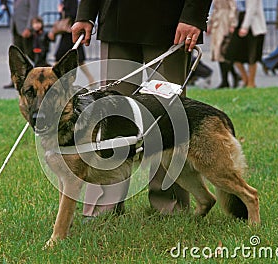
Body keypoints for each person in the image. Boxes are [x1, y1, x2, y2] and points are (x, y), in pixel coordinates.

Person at [72, 0, 212, 217]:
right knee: (110, 117)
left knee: (167, 117)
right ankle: (103, 207)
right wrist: (85, 13)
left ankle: (169, 206)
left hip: (171, 24)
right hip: (115, 19)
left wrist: (193, 16)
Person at [48, 0, 94, 84]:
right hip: (69, 33)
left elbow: (73, 14)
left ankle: (52, 78)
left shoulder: (70, 1)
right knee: (77, 58)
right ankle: (91, 79)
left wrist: (62, 10)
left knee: (60, 56)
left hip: (70, 33)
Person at [225, 0, 266, 88]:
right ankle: (245, 79)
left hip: (253, 25)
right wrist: (233, 23)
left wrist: (245, 26)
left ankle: (251, 82)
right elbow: (236, 9)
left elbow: (252, 9)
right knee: (232, 53)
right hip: (239, 21)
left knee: (252, 55)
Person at [4, 0, 39, 89]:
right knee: (16, 56)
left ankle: (46, 75)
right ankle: (15, 80)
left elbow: (33, 11)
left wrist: (29, 28)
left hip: (25, 29)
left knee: (32, 54)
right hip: (16, 28)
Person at [207, 0, 240, 88]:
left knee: (223, 50)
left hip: (225, 22)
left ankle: (229, 79)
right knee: (218, 52)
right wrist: (210, 23)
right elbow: (214, 9)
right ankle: (228, 78)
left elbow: (233, 7)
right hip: (218, 22)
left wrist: (232, 23)